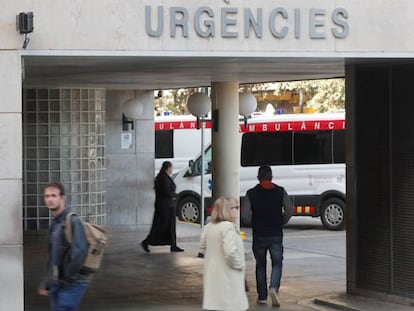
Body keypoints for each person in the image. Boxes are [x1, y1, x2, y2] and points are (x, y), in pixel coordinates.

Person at [243, 165, 294, 307]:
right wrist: (280, 221)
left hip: (259, 235)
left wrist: (255, 222)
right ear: (271, 177)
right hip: (276, 233)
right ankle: (274, 288)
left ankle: (262, 297)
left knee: (260, 265)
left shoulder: (251, 193)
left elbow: (245, 216)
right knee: (277, 263)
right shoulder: (280, 192)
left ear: (258, 177)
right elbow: (289, 211)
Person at [38, 182, 90, 311]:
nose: (50, 199)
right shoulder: (55, 224)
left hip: (73, 283)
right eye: (47, 196)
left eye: (53, 195)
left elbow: (79, 252)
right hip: (58, 282)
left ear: (62, 198)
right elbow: (53, 257)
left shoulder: (73, 221)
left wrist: (67, 278)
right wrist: (47, 282)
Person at [200, 197, 249, 311]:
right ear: (226, 210)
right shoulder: (227, 227)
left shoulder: (209, 227)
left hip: (213, 275)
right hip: (228, 277)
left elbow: (202, 247)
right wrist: (239, 265)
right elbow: (230, 251)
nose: (238, 210)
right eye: (235, 207)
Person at [141, 161, 184, 253]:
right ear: (168, 168)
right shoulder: (163, 178)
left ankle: (173, 245)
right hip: (165, 207)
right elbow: (166, 192)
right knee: (161, 226)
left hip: (167, 206)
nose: (172, 169)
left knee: (170, 226)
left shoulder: (163, 177)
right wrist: (175, 195)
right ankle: (147, 241)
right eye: (171, 167)